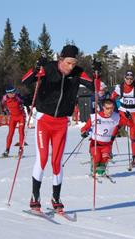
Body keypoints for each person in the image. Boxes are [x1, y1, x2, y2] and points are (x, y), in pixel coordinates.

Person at [22, 44, 98, 211]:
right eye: (68, 63)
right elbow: (26, 80)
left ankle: (56, 198)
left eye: (74, 63)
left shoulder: (78, 72)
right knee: (42, 159)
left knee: (57, 161)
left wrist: (97, 74)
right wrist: (36, 68)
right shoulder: (48, 68)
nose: (71, 67)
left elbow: (96, 88)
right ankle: (35, 196)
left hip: (61, 122)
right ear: (61, 59)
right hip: (44, 120)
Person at [110, 70, 135, 166]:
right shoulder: (120, 87)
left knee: (133, 137)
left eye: (131, 79)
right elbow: (111, 98)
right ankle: (108, 152)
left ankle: (134, 158)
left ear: (133, 79)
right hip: (122, 112)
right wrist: (112, 109)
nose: (129, 81)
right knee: (113, 131)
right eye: (127, 78)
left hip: (133, 114)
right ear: (124, 78)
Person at [80, 99, 129, 177]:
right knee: (97, 157)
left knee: (105, 158)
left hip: (107, 144)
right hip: (95, 143)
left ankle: (101, 171)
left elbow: (128, 123)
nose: (110, 110)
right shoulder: (95, 117)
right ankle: (94, 166)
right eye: (107, 108)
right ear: (103, 107)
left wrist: (127, 117)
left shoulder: (116, 116)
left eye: (112, 108)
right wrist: (84, 133)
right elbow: (84, 128)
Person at [1, 85, 26, 157]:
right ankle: (7, 150)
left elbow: (25, 101)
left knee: (21, 132)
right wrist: (4, 111)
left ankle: (21, 149)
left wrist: (27, 107)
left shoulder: (18, 97)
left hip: (21, 116)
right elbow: (2, 104)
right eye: (12, 92)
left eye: (15, 92)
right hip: (13, 117)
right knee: (10, 133)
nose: (14, 94)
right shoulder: (4, 98)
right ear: (8, 93)